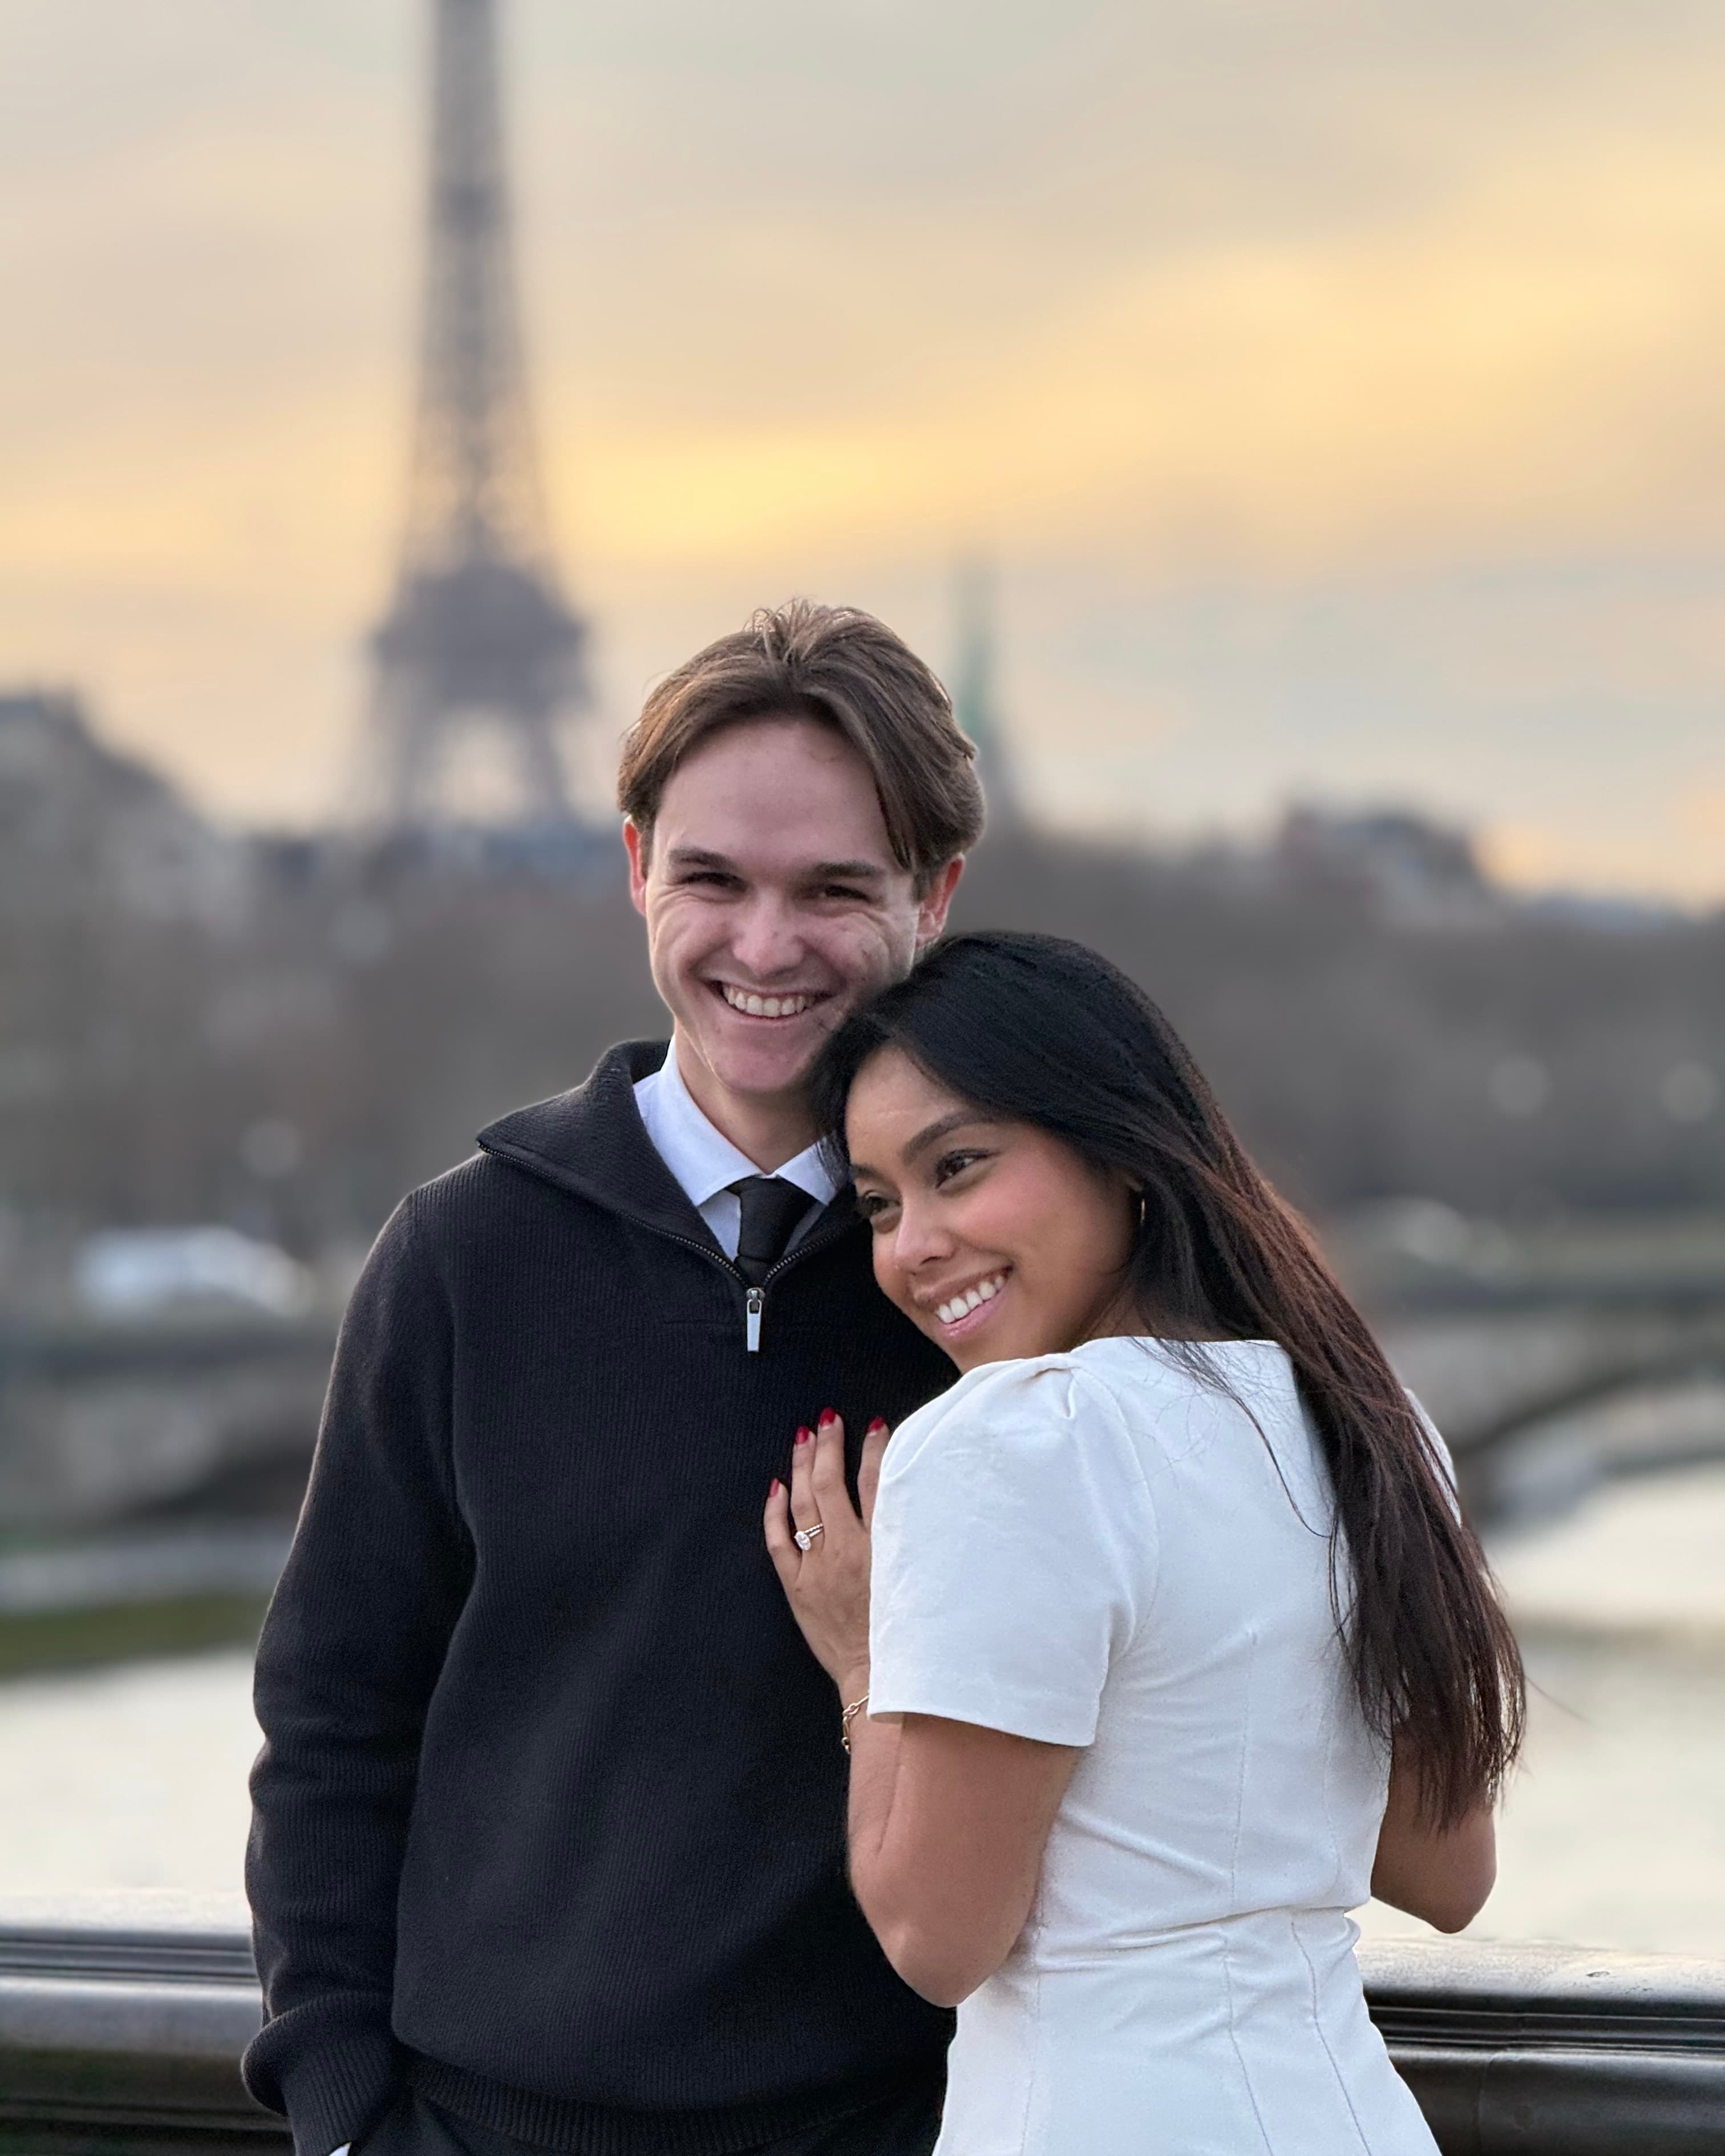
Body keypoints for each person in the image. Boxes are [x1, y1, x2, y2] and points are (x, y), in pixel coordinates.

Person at [242, 602, 986, 2156]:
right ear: (636, 866)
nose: (764, 946)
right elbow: (331, 1721)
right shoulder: (460, 1257)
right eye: (714, 879)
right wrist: (344, 2118)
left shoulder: (990, 1289)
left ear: (934, 895)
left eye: (833, 889)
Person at [764, 931, 1525, 2156]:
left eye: (959, 1167)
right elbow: (1448, 1875)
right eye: (880, 1205)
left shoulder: (1014, 1442)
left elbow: (936, 1939)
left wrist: (866, 1664)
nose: (911, 1247)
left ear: (1117, 1149)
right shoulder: (1370, 1424)